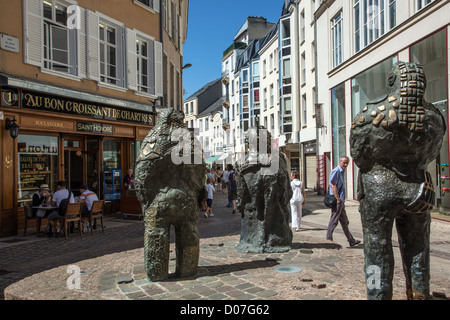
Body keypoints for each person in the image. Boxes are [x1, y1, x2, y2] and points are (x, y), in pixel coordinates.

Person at [326, 156, 361, 247]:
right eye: (344, 162)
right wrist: (338, 199)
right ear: (340, 162)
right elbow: (333, 185)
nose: (346, 164)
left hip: (341, 200)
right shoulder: (336, 171)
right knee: (334, 220)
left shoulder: (341, 171)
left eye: (347, 163)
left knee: (344, 221)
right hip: (337, 200)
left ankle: (351, 240)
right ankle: (328, 240)